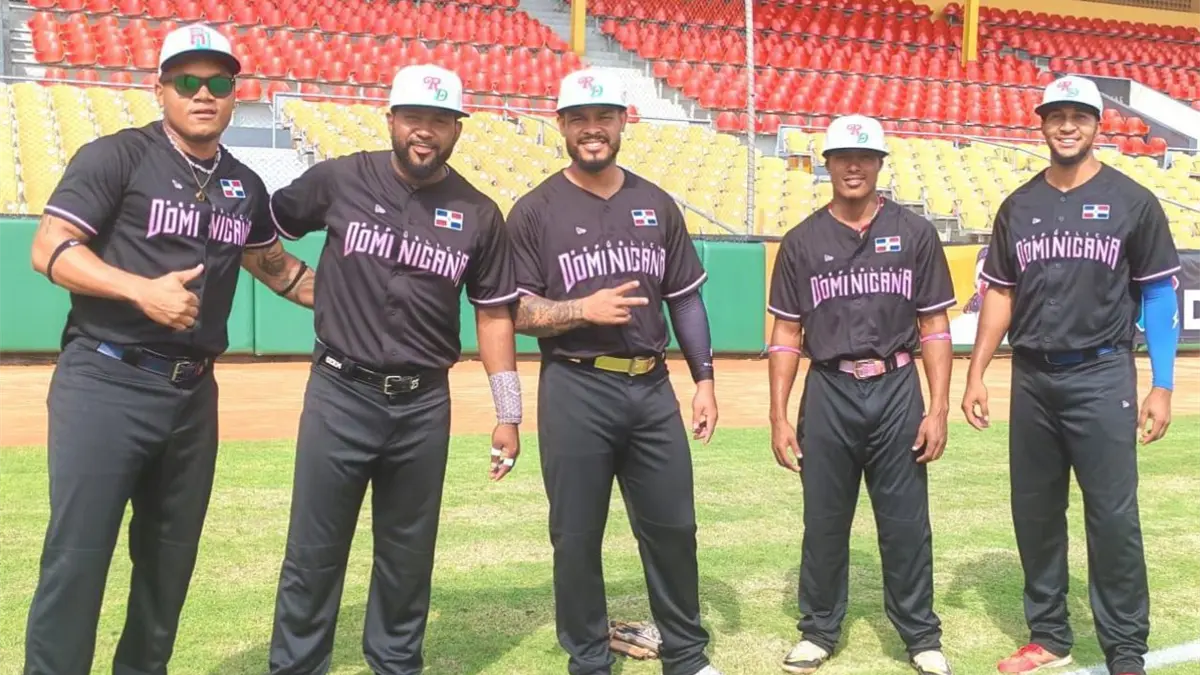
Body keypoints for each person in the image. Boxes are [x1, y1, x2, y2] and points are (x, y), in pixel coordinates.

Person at [22, 23, 314, 675]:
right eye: (188, 80)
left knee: (168, 562)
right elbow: (49, 249)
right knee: (78, 558)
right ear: (160, 89)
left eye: (218, 81)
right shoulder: (115, 157)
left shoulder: (244, 185)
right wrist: (139, 291)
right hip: (107, 379)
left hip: (191, 394)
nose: (203, 92)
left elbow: (278, 269)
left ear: (235, 94)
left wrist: (358, 298)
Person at [265, 64, 523, 674]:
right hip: (339, 391)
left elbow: (493, 317)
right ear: (391, 119)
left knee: (408, 557)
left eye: (440, 120)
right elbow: (261, 231)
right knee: (314, 552)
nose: (425, 132)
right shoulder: (339, 179)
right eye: (414, 118)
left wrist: (508, 411)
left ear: (457, 129)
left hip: (423, 404)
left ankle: (396, 666)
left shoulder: (479, 212)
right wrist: (298, 283)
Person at [507, 68, 722, 675]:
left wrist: (703, 379)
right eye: (579, 119)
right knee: (575, 536)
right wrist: (582, 309)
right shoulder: (534, 211)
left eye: (603, 118)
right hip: (576, 386)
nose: (592, 130)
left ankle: (686, 657)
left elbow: (684, 297)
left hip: (652, 387)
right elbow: (516, 309)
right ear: (562, 126)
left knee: (675, 528)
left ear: (624, 122)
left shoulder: (656, 204)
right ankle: (589, 659)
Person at [962, 75, 1180, 675]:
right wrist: (977, 373)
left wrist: (1162, 384)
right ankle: (1050, 636)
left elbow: (1158, 296)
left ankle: (1126, 648)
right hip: (1032, 378)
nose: (1066, 125)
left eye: (1078, 115)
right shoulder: (1019, 206)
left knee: (1112, 517)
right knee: (1034, 511)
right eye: (1055, 115)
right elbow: (999, 294)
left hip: (1102, 374)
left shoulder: (1133, 201)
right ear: (1041, 124)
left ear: (1096, 125)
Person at [766, 115, 956, 675]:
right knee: (824, 519)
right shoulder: (802, 241)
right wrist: (778, 416)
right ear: (825, 163)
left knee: (905, 522)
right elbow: (785, 335)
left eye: (864, 156)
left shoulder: (915, 233)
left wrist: (938, 405)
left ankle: (920, 635)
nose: (853, 165)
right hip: (829, 388)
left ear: (879, 164)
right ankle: (819, 630)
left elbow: (935, 327)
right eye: (842, 156)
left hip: (898, 387)